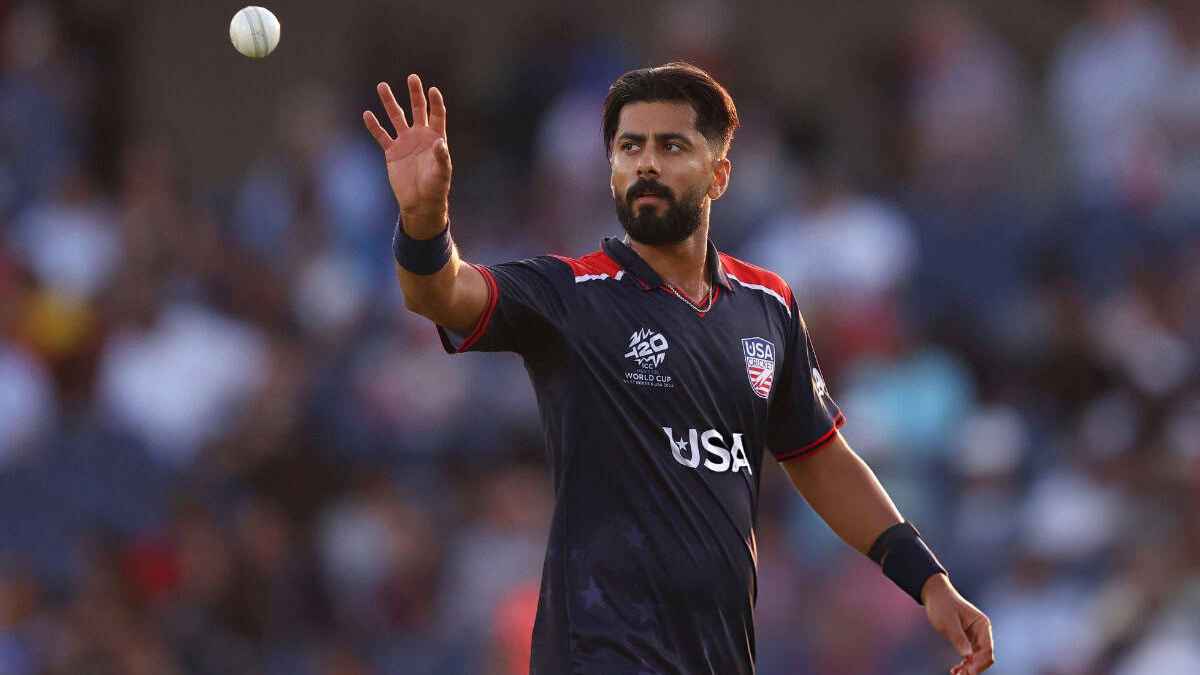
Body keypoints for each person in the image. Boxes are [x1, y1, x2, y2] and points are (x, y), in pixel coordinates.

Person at [363, 62, 995, 675]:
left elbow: (821, 459)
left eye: (671, 146)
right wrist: (424, 221)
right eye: (629, 147)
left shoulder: (767, 305)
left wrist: (929, 581)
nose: (646, 163)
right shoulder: (571, 294)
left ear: (719, 175)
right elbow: (440, 294)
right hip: (599, 655)